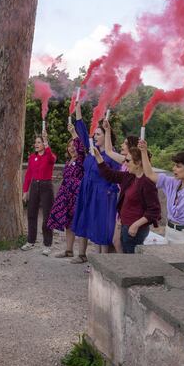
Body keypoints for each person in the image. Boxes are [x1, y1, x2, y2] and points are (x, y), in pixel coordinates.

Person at [69, 102, 119, 262]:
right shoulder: (91, 152)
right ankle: (81, 255)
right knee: (83, 219)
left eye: (98, 134)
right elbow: (82, 131)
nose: (94, 137)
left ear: (106, 136)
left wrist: (109, 192)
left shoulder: (112, 156)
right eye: (95, 134)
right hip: (86, 190)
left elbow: (117, 176)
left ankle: (103, 262)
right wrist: (77, 110)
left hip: (102, 193)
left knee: (101, 225)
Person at [92, 145, 161, 253]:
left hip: (135, 230)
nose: (125, 163)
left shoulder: (147, 182)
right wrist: (98, 157)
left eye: (128, 160)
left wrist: (135, 225)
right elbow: (110, 175)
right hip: (126, 225)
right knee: (126, 256)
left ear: (138, 163)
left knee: (132, 261)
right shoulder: (129, 176)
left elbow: (154, 211)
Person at [139, 141, 184, 244]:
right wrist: (144, 151)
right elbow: (150, 174)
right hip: (169, 231)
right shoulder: (173, 183)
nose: (173, 169)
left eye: (178, 166)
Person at [46, 121, 86, 258]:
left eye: (73, 145)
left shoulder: (81, 159)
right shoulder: (68, 162)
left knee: (78, 223)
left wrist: (73, 132)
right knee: (68, 223)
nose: (71, 148)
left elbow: (81, 147)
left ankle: (82, 254)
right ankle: (69, 251)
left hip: (77, 195)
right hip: (66, 195)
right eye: (69, 146)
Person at [102, 121, 139, 253]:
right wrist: (107, 131)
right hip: (121, 201)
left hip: (129, 204)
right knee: (116, 241)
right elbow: (108, 151)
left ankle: (124, 267)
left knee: (119, 241)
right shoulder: (124, 161)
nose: (122, 145)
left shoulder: (135, 166)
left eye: (125, 143)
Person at [20, 127, 56, 255]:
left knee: (47, 217)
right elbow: (29, 175)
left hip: (46, 187)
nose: (36, 144)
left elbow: (52, 159)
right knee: (31, 214)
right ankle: (30, 241)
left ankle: (47, 244)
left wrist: (46, 143)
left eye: (39, 142)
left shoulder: (50, 156)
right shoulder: (31, 158)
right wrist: (25, 191)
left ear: (44, 144)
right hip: (34, 186)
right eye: (35, 142)